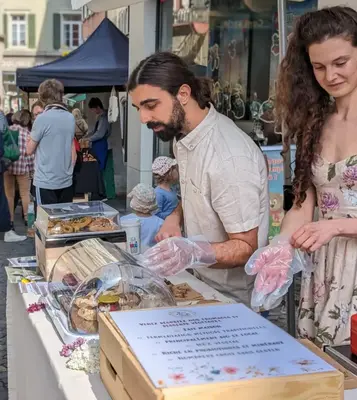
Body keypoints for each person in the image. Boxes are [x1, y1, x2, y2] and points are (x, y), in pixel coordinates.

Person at [249, 6, 357, 346]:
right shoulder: (316, 119)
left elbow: (327, 222)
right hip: (323, 270)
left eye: (341, 63)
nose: (331, 76)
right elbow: (304, 199)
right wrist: (281, 245)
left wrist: (337, 226)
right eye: (319, 67)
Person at [128, 52, 269, 305]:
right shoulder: (181, 136)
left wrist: (192, 251)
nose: (143, 118)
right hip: (196, 281)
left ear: (183, 94)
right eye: (139, 109)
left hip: (232, 297)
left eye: (151, 106)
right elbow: (196, 189)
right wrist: (175, 217)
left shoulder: (229, 156)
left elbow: (247, 246)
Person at [26, 79, 77, 206]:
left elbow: (29, 150)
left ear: (42, 97)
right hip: (66, 181)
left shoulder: (42, 119)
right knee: (64, 222)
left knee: (45, 223)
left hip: (45, 181)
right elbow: (73, 153)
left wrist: (30, 140)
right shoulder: (70, 117)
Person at [4, 110, 34, 233]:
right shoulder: (27, 134)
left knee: (9, 194)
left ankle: (10, 220)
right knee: (25, 194)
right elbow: (30, 155)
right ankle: (27, 219)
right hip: (22, 168)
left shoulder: (8, 130)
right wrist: (32, 170)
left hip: (8, 166)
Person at [120, 183, 164, 250]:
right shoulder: (161, 223)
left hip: (128, 254)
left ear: (134, 202)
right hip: (150, 256)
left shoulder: (123, 220)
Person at [84, 98, 110, 171]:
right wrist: (86, 136)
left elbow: (99, 134)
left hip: (101, 145)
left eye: (93, 109)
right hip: (97, 145)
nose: (93, 111)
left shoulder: (104, 118)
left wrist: (88, 139)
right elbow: (94, 131)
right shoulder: (100, 117)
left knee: (99, 167)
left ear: (98, 107)